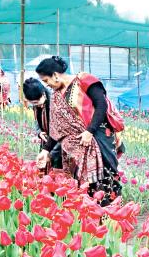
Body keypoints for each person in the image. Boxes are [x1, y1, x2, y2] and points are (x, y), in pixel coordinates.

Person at [35, 56, 124, 205]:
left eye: (46, 81)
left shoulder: (84, 80)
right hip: (77, 146)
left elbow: (101, 104)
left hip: (98, 134)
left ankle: (110, 214)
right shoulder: (57, 97)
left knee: (106, 174)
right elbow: (56, 129)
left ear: (55, 75)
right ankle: (90, 214)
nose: (47, 85)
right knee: (83, 182)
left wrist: (89, 131)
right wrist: (45, 151)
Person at [22, 77, 62, 174]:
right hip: (46, 141)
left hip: (59, 143)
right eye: (32, 103)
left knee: (58, 173)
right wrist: (39, 133)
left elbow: (61, 132)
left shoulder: (55, 104)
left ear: (43, 94)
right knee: (44, 171)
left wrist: (50, 154)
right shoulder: (37, 105)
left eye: (36, 102)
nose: (36, 105)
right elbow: (37, 120)